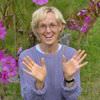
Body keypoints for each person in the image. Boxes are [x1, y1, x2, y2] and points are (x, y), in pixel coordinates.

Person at [18, 6, 88, 100]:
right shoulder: (27, 57)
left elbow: (73, 97)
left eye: (52, 25)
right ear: (36, 29)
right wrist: (39, 83)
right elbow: (28, 97)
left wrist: (69, 79)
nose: (48, 30)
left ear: (61, 27)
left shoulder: (71, 54)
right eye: (42, 26)